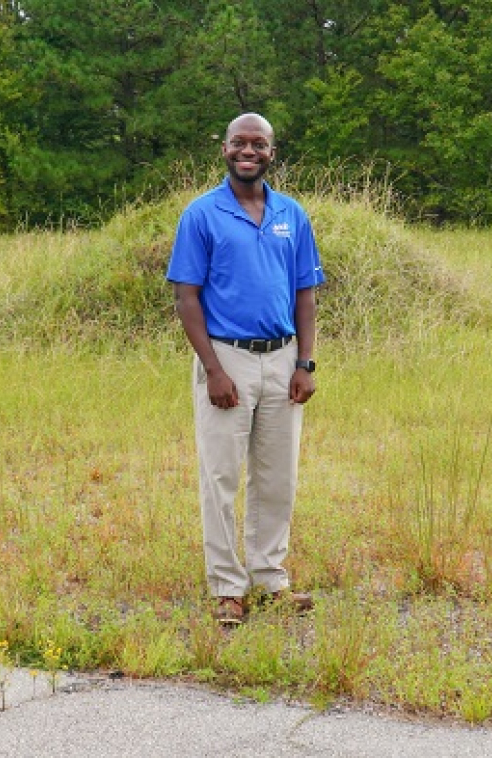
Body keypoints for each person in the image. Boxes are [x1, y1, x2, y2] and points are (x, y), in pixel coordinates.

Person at [166, 113, 325, 625]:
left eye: (259, 143)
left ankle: (270, 579)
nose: (248, 151)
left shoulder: (291, 215)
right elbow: (186, 296)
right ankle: (226, 588)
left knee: (278, 477)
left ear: (272, 153)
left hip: (282, 359)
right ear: (225, 149)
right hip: (226, 356)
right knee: (220, 476)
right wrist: (213, 369)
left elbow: (306, 292)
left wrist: (304, 362)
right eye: (239, 142)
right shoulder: (201, 214)